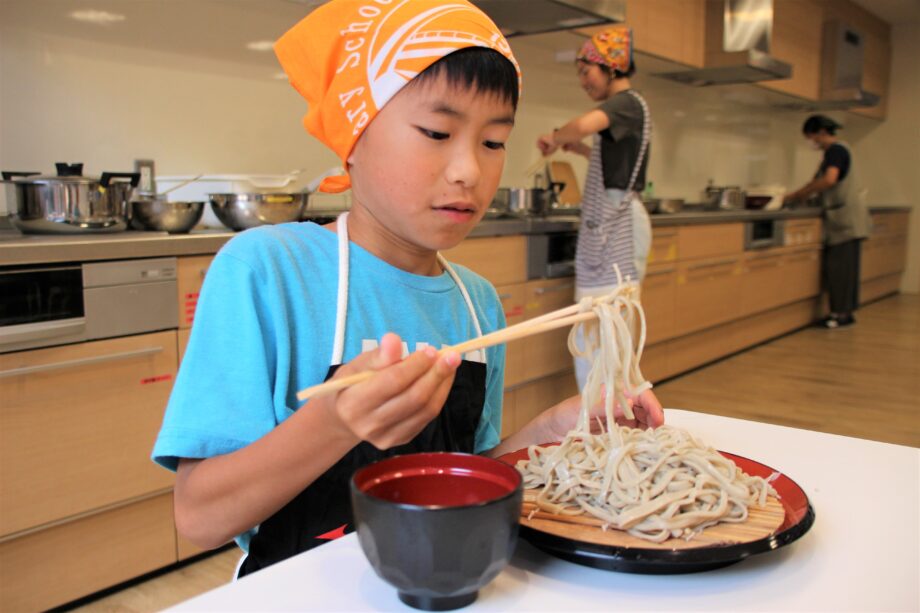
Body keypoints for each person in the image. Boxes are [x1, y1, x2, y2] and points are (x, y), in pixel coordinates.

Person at [151, 0, 664, 579]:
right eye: (437, 132)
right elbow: (198, 515)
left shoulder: (477, 301)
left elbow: (463, 473)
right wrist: (335, 423)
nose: (469, 169)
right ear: (356, 131)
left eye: (494, 142)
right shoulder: (268, 272)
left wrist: (553, 432)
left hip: (438, 580)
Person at [535, 26, 653, 390]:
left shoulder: (625, 103)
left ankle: (608, 425)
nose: (584, 81)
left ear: (611, 67)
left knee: (606, 337)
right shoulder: (627, 111)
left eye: (587, 71)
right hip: (611, 227)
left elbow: (583, 124)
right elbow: (614, 163)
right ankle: (603, 422)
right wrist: (583, 152)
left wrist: (556, 137)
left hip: (615, 230)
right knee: (599, 334)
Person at [784, 114, 870, 328]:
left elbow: (829, 180)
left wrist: (797, 195)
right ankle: (844, 313)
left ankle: (839, 315)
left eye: (811, 137)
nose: (812, 143)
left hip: (844, 220)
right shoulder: (840, 150)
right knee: (846, 269)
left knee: (840, 268)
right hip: (846, 219)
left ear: (821, 132)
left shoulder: (836, 151)